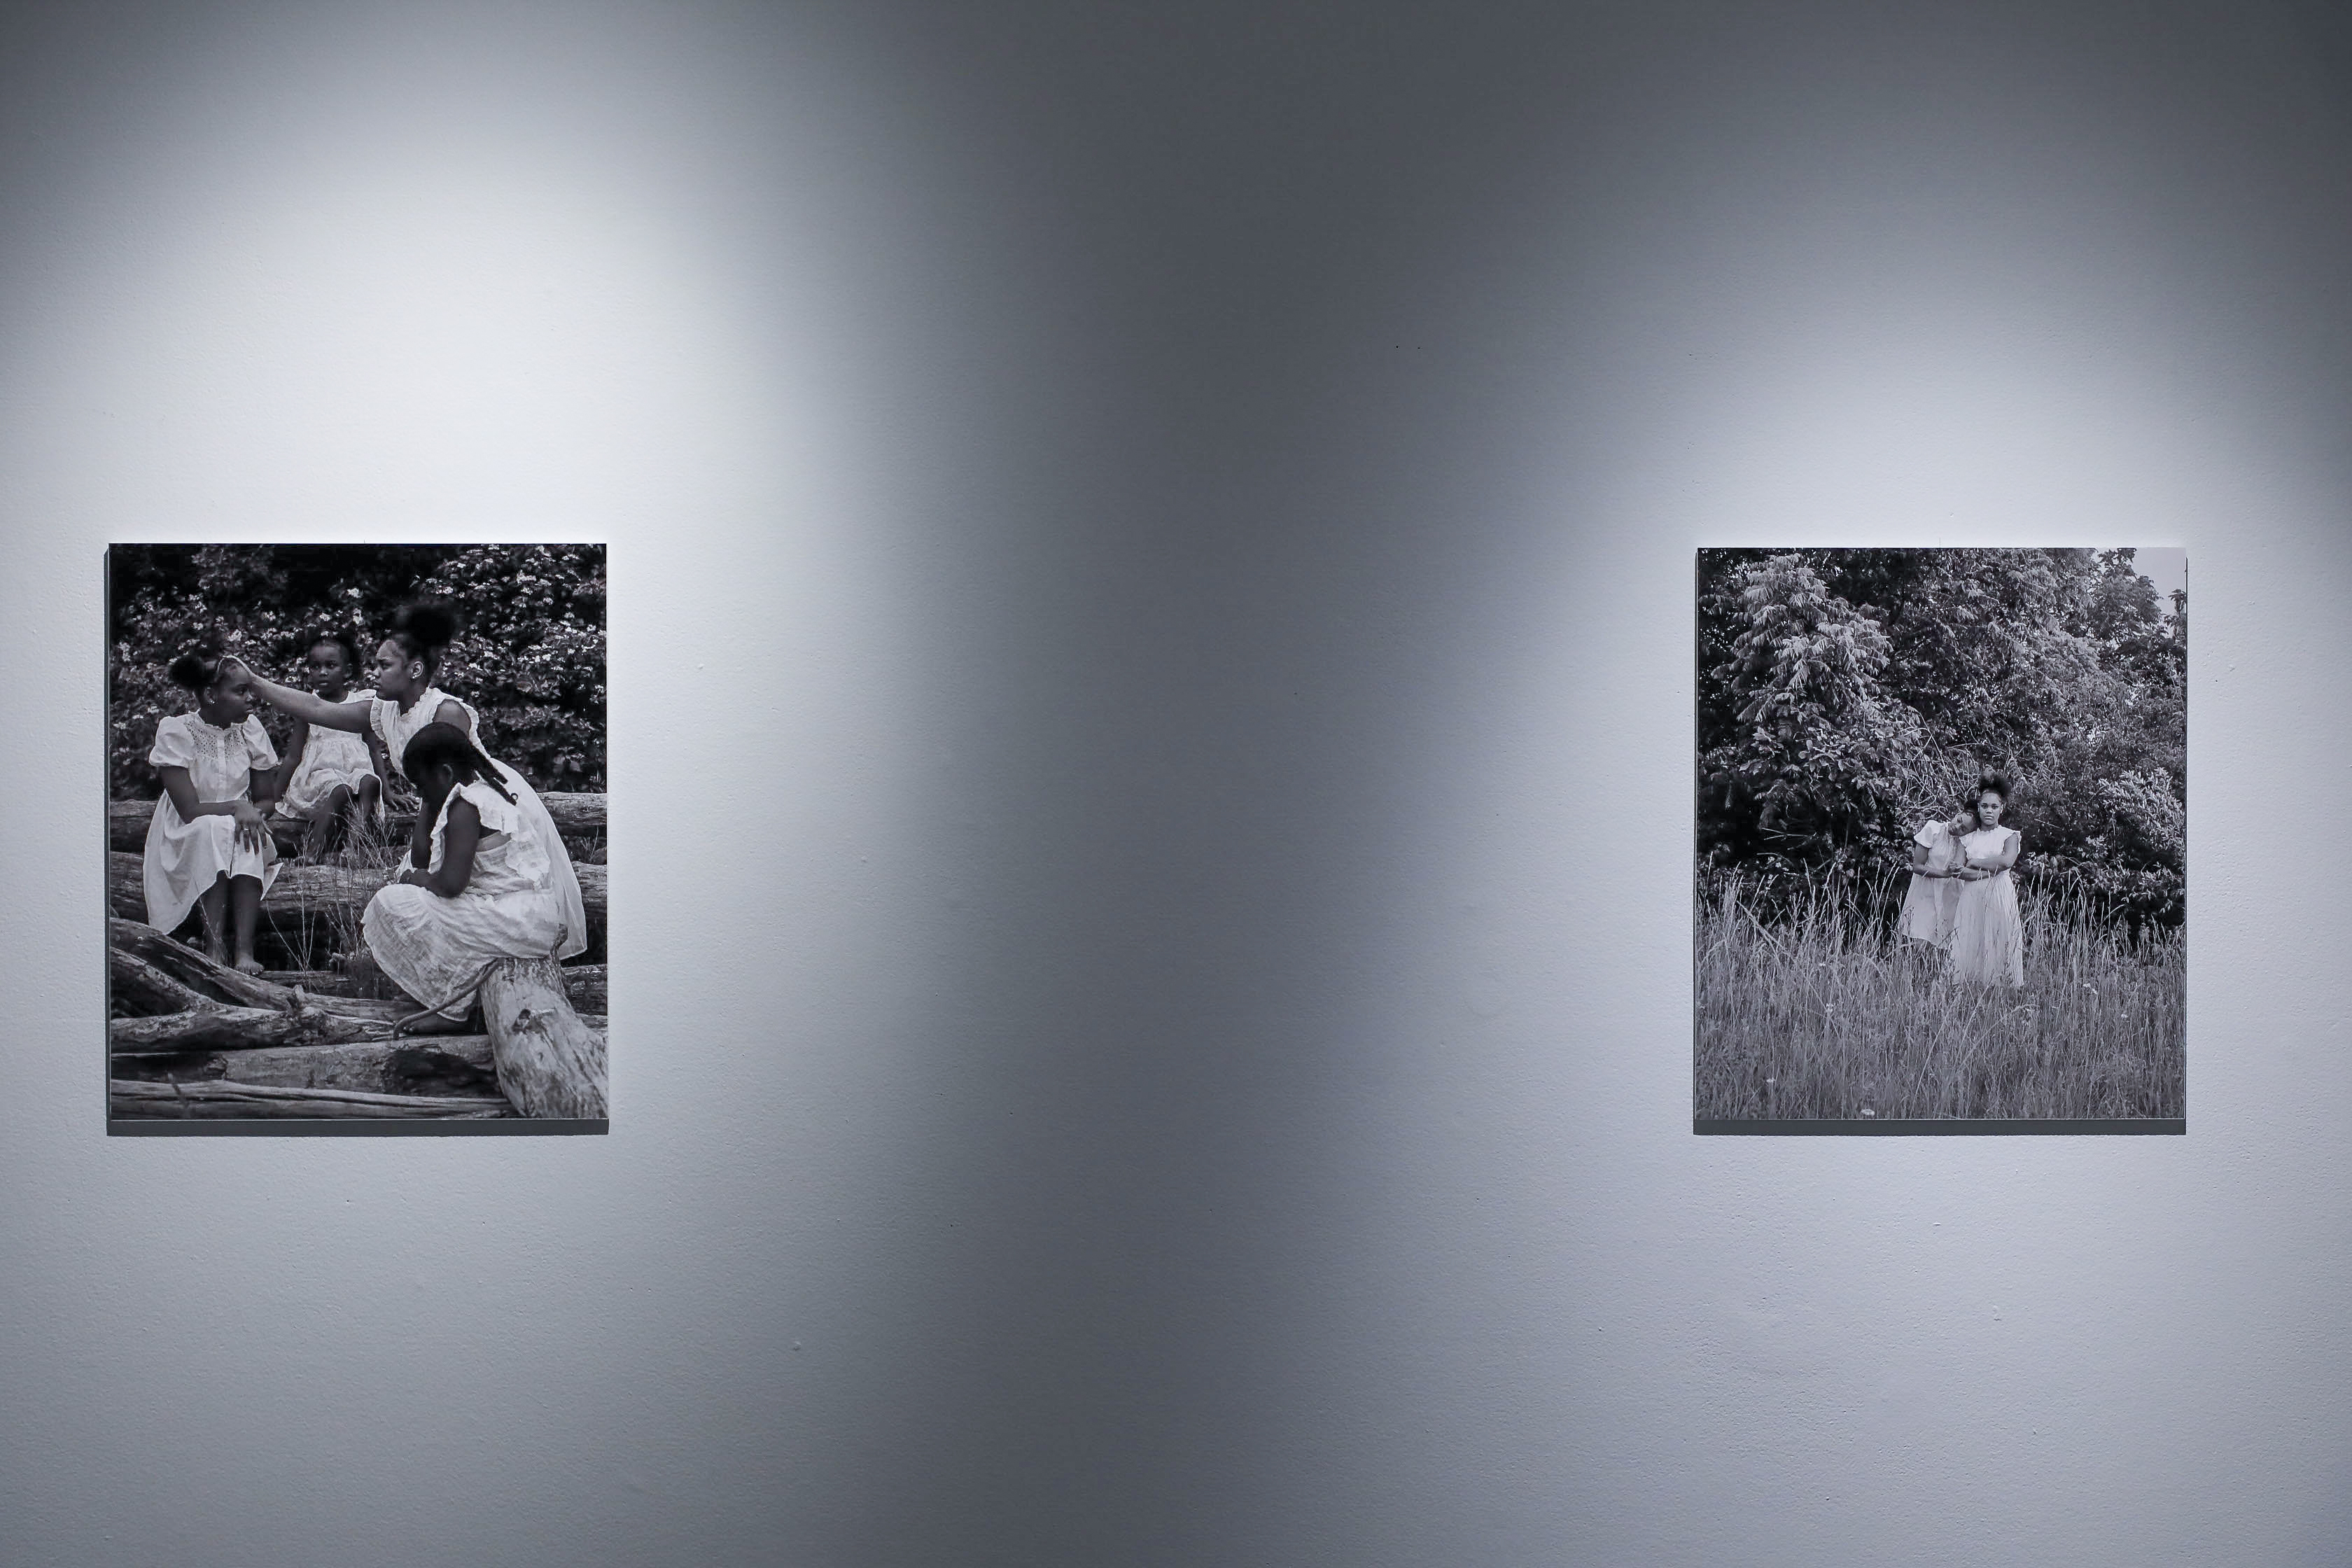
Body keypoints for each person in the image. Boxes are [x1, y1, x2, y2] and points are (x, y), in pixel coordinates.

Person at [221, 602, 587, 1016]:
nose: (374, 673)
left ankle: (479, 987)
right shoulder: (384, 711)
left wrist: (424, 857)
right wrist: (253, 680)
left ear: (413, 670)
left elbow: (453, 788)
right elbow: (317, 709)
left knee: (453, 895)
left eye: (384, 665)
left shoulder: (445, 711)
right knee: (421, 892)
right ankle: (444, 990)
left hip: (483, 818)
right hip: (447, 814)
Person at [360, 722, 573, 1033]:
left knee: (392, 902)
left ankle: (451, 1009)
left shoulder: (465, 806)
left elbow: (450, 885)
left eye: (422, 787)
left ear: (445, 774)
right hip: (525, 916)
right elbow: (430, 860)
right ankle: (447, 995)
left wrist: (415, 878)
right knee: (419, 902)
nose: (421, 796)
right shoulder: (481, 793)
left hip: (516, 920)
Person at [142, 639, 281, 973]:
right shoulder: (177, 731)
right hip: (186, 831)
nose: (252, 698)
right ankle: (214, 946)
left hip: (237, 825)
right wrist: (238, 807)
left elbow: (266, 799)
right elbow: (189, 811)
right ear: (210, 695)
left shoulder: (250, 730)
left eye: (250, 690)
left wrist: (250, 812)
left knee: (238, 830)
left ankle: (244, 951)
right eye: (241, 691)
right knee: (214, 827)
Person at [267, 629, 387, 861]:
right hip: (320, 777)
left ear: (347, 671)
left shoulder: (360, 704)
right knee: (339, 789)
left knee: (371, 783)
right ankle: (312, 853)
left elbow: (374, 750)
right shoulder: (308, 707)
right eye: (315, 666)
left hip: (355, 772)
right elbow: (293, 756)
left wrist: (388, 792)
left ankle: (354, 848)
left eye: (330, 666)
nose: (322, 672)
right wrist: (273, 797)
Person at [1947, 774, 2025, 988]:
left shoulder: (2009, 836)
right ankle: (1969, 993)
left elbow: (2006, 861)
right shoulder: (1968, 839)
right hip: (1971, 897)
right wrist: (1985, 871)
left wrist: (1975, 862)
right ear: (1979, 808)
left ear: (2002, 808)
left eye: (1994, 806)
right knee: (1971, 941)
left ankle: (1999, 992)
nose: (1989, 811)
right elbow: (1958, 869)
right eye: (1984, 806)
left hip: (1999, 896)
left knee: (1999, 940)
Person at [1896, 797, 1977, 950]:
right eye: (1959, 820)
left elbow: (1959, 866)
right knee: (1920, 942)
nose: (1957, 827)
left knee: (1944, 946)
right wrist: (1943, 873)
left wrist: (1963, 842)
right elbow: (1917, 866)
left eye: (1963, 829)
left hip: (1950, 895)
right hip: (1925, 892)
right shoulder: (1933, 829)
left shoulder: (1965, 843)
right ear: (1958, 814)